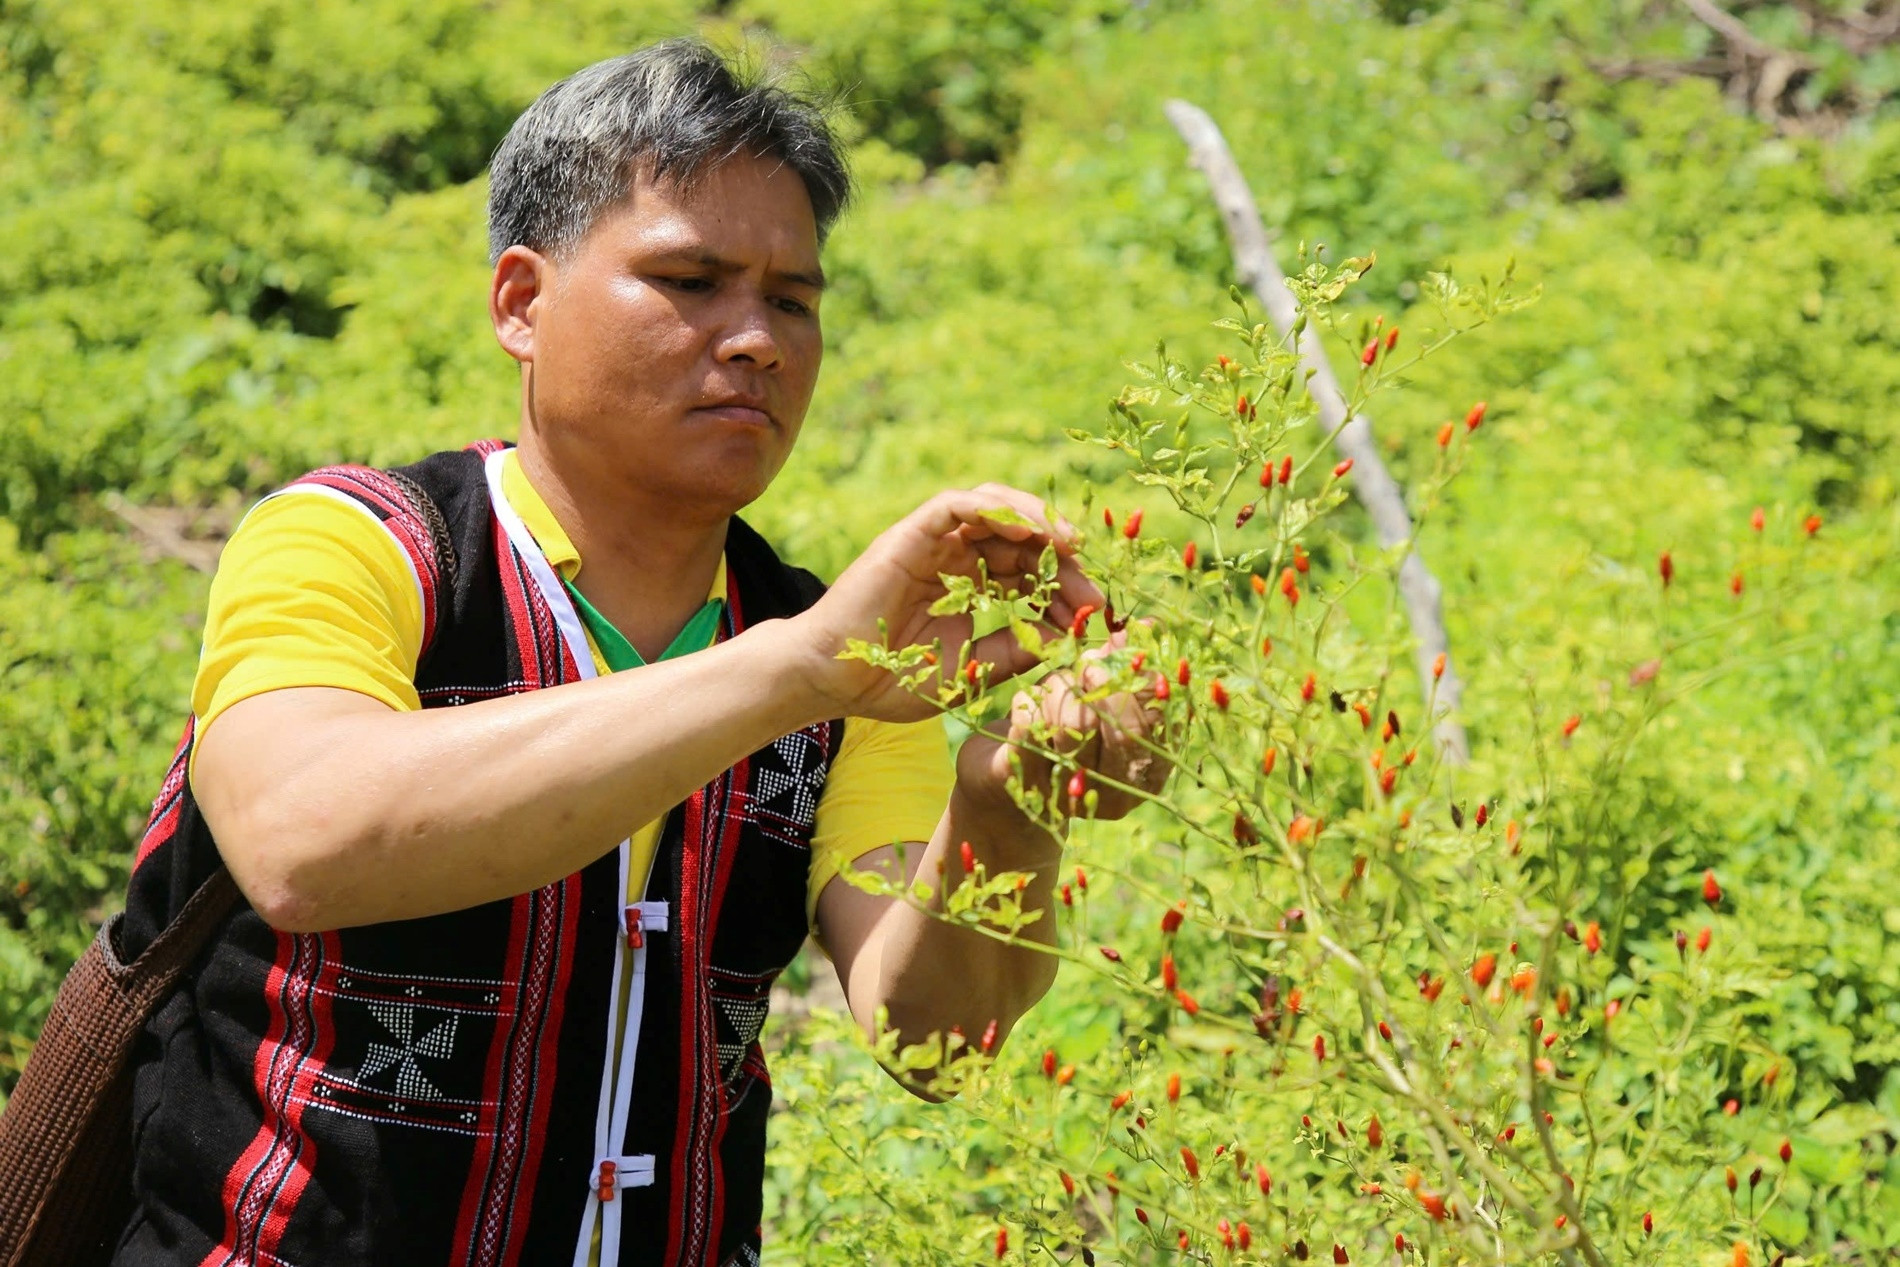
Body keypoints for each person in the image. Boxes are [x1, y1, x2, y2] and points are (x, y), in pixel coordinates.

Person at [112, 37, 1164, 1267]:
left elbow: (934, 1036)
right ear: (521, 301)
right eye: (689, 280)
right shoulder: (359, 546)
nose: (757, 339)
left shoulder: (837, 655)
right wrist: (797, 667)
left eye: (792, 299)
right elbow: (307, 840)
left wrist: (1010, 802)